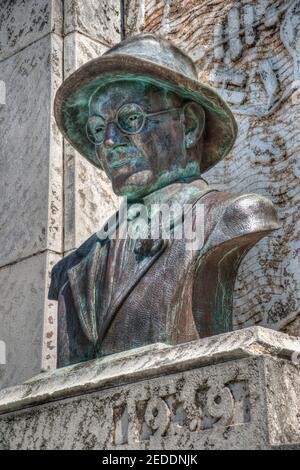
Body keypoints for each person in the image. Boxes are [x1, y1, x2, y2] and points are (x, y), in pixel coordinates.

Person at [49, 34, 280, 367]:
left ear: (189, 125)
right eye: (98, 129)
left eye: (130, 119)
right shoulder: (72, 270)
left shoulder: (233, 216)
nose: (110, 141)